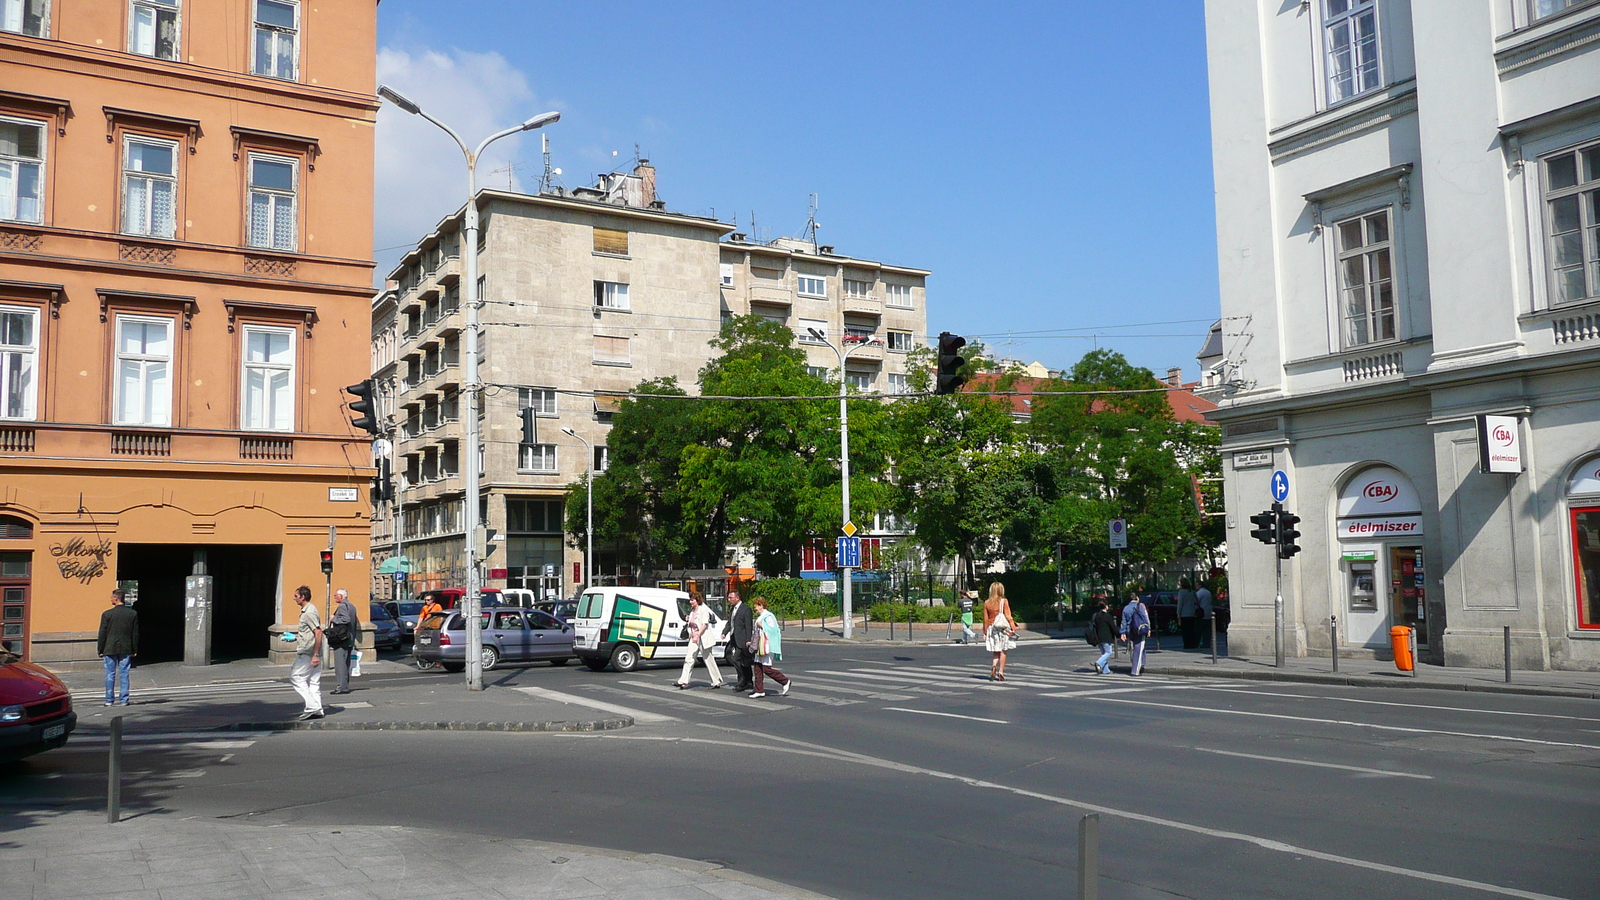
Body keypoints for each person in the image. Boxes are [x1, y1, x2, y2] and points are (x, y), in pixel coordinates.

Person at [97, 589, 138, 706]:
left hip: (109, 647)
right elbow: (135, 633)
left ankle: (109, 700)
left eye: (111, 597)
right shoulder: (132, 614)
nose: (110, 599)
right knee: (124, 673)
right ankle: (124, 700)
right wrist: (134, 649)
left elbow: (102, 634)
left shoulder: (107, 614)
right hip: (126, 647)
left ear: (116, 598)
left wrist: (100, 649)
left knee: (110, 674)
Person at [289, 586, 325, 719]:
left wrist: (315, 654)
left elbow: (318, 632)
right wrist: (296, 637)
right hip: (311, 650)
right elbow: (310, 633)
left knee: (296, 677)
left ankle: (312, 706)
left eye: (296, 596)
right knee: (313, 681)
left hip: (308, 652)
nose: (294, 598)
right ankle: (318, 709)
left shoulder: (308, 612)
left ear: (302, 597)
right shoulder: (309, 610)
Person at [674, 594, 724, 689]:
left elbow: (705, 624)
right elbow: (692, 624)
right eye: (690, 600)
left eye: (692, 600)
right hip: (694, 638)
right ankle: (683, 681)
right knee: (689, 659)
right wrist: (689, 622)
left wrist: (698, 635)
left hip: (703, 638)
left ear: (697, 600)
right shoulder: (692, 611)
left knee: (708, 659)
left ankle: (716, 681)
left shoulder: (703, 610)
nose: (690, 602)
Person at [749, 597, 790, 698]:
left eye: (756, 606)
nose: (755, 608)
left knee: (766, 668)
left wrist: (762, 625)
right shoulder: (762, 616)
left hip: (767, 645)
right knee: (757, 667)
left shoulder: (768, 616)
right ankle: (759, 690)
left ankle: (785, 681)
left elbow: (774, 630)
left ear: (761, 605)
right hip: (760, 645)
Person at [982, 582, 1018, 681]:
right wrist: (1013, 628)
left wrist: (985, 631)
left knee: (996, 650)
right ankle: (1001, 671)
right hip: (1003, 629)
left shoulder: (987, 602)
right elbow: (1008, 616)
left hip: (992, 628)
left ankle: (994, 666)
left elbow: (985, 619)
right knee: (1003, 650)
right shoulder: (1004, 601)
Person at [327, 588, 360, 695]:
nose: (335, 597)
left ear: (341, 596)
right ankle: (344, 686)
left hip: (342, 639)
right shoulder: (351, 606)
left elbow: (346, 619)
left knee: (340, 664)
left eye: (336, 595)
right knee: (345, 663)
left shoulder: (342, 606)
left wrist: (333, 619)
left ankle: (341, 687)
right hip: (349, 638)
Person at [727, 590, 755, 692]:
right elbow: (730, 622)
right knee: (744, 662)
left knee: (735, 659)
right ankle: (749, 682)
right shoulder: (732, 609)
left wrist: (748, 640)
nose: (729, 599)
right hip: (735, 638)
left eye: (731, 597)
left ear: (737, 598)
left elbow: (748, 626)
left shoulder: (746, 609)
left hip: (743, 640)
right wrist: (724, 632)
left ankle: (741, 681)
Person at [1120, 591, 1152, 677]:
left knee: (1137, 647)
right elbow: (1146, 618)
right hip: (1139, 629)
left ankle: (1142, 663)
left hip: (1130, 630)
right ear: (1137, 598)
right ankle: (1135, 670)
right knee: (1138, 648)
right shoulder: (1140, 606)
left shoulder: (1126, 608)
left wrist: (1122, 633)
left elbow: (1123, 621)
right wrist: (1148, 628)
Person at [1090, 599, 1119, 675]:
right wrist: (1118, 634)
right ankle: (1098, 663)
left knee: (1104, 654)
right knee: (1108, 653)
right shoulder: (1107, 616)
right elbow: (1113, 627)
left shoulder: (1096, 616)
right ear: (1106, 607)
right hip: (1106, 637)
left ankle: (1106, 670)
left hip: (1098, 638)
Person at [1177, 577, 1201, 650]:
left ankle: (1187, 644)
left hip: (1184, 613)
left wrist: (1178, 613)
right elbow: (1196, 601)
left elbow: (1180, 603)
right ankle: (1192, 643)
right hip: (1192, 612)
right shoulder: (1192, 592)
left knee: (1185, 630)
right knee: (1191, 629)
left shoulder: (1181, 592)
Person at [1196, 581, 1215, 649]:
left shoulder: (1199, 593)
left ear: (1200, 585)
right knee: (1207, 630)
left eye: (1197, 585)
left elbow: (1196, 601)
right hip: (1209, 612)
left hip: (1202, 612)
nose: (1196, 586)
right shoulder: (1208, 592)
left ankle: (1198, 643)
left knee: (1200, 629)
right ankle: (1207, 643)